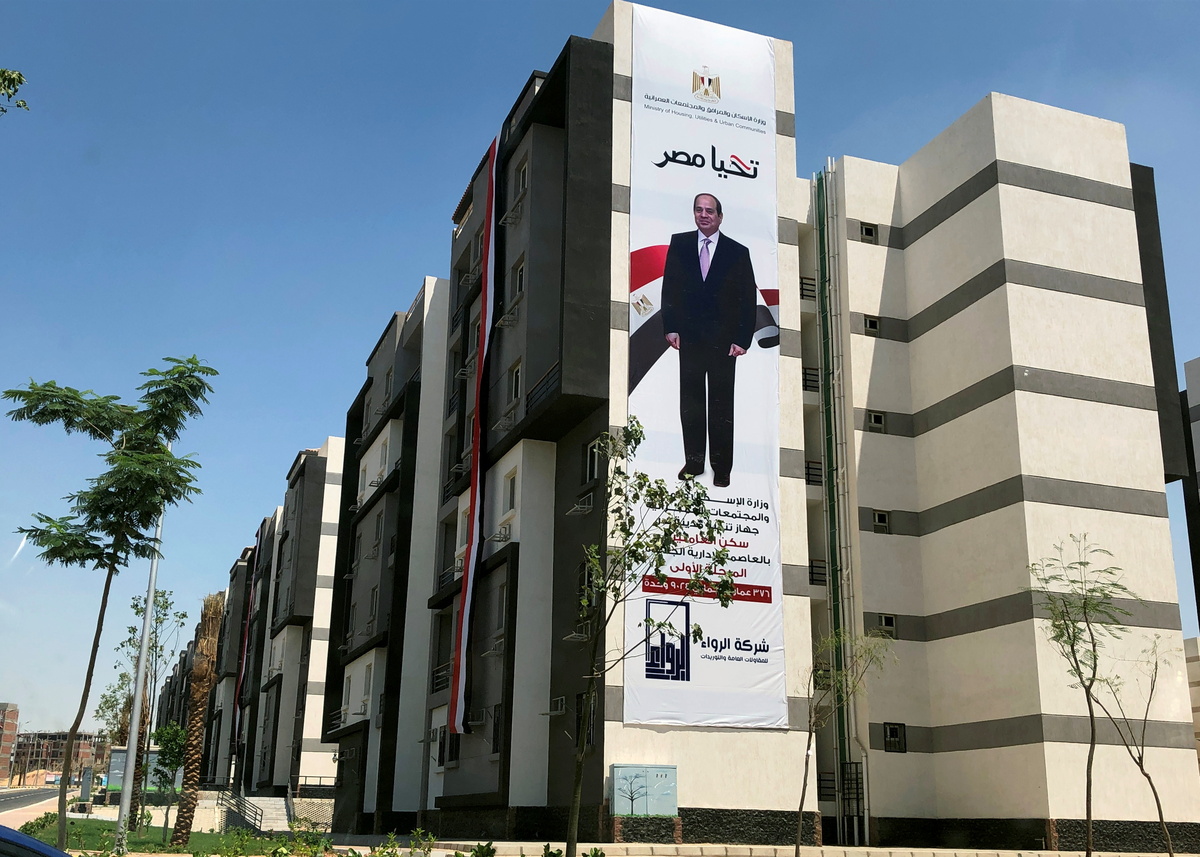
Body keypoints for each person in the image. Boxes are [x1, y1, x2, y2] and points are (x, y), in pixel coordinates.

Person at [661, 193, 757, 488]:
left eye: (709, 211)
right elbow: (670, 287)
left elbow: (747, 298)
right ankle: (693, 462)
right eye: (699, 210)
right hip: (689, 338)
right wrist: (671, 327)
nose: (703, 215)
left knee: (720, 405)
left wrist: (742, 339)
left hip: (724, 342)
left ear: (720, 216)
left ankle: (722, 468)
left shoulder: (737, 252)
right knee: (690, 402)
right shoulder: (680, 244)